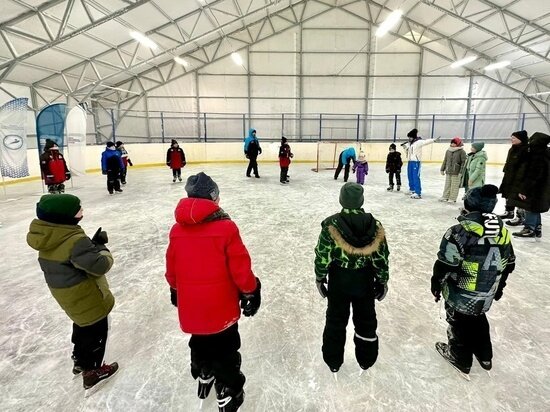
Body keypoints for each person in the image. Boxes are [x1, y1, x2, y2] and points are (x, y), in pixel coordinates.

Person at [165, 172, 261, 412]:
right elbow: (240, 268)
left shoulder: (177, 230)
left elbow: (171, 266)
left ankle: (203, 372)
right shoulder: (226, 228)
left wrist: (175, 289)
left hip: (192, 307)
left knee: (199, 340)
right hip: (220, 308)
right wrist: (251, 290)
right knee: (226, 349)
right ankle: (229, 390)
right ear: (213, 198)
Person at [26, 194, 118, 391]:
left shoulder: (48, 235)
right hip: (86, 295)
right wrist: (101, 248)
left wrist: (89, 248)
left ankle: (79, 359)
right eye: (78, 209)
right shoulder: (75, 239)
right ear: (65, 217)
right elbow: (100, 266)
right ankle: (92, 371)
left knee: (82, 325)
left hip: (66, 293)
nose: (82, 211)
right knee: (96, 331)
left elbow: (70, 258)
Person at [431, 184, 515, 378]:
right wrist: (500, 287)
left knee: (459, 322)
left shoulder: (459, 232)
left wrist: (436, 283)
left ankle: (460, 357)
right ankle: (485, 355)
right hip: (488, 292)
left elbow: (446, 263)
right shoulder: (502, 233)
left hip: (461, 292)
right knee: (478, 317)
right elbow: (509, 262)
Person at [314, 183, 390, 373]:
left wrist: (320, 277)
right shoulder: (376, 226)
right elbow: (381, 257)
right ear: (361, 201)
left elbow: (323, 255)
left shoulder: (331, 225)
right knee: (366, 320)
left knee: (335, 320)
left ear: (341, 200)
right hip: (364, 280)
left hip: (339, 280)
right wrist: (382, 280)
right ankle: (366, 359)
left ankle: (333, 361)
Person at [508, 132, 550, 239]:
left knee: (530, 207)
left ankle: (529, 228)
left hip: (534, 188)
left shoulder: (537, 156)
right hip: (542, 187)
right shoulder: (545, 153)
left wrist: (524, 190)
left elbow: (533, 175)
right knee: (536, 208)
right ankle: (537, 228)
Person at [498, 131, 529, 225]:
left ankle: (520, 217)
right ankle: (509, 212)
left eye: (514, 138)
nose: (512, 139)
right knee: (508, 193)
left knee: (518, 197)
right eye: (511, 138)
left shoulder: (525, 150)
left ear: (521, 139)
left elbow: (524, 166)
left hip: (519, 177)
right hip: (509, 175)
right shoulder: (512, 149)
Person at [402, 129, 439, 199]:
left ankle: (418, 192)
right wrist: (405, 148)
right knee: (410, 176)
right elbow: (408, 152)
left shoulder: (418, 142)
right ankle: (412, 189)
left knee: (416, 177)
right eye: (408, 137)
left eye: (410, 137)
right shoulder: (410, 143)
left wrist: (434, 140)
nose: (409, 139)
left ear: (413, 137)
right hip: (410, 161)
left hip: (416, 162)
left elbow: (426, 142)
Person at [439, 137, 467, 203]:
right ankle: (445, 196)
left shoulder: (461, 151)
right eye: (452, 143)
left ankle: (452, 198)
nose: (452, 144)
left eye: (454, 143)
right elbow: (445, 160)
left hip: (456, 172)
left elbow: (464, 163)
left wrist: (461, 172)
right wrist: (442, 169)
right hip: (448, 171)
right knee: (447, 185)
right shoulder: (448, 151)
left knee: (454, 186)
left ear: (458, 144)